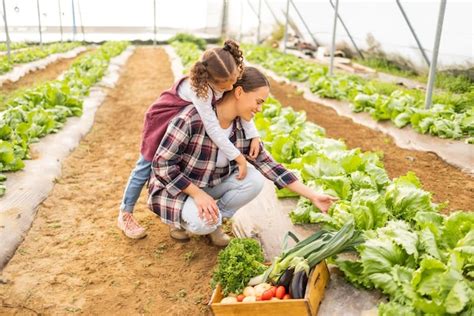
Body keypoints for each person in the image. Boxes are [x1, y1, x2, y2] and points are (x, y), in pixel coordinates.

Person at [148, 67, 337, 246]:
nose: (259, 109)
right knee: (202, 223)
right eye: (258, 101)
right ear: (239, 93)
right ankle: (182, 220)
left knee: (254, 180)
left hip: (208, 184)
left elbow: (270, 166)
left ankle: (214, 222)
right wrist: (197, 195)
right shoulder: (192, 119)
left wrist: (313, 196)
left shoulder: (243, 128)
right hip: (177, 189)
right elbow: (162, 165)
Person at [118, 40, 261, 239]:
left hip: (183, 120)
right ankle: (126, 213)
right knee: (146, 164)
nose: (231, 86)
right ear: (209, 80)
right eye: (226, 83)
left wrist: (253, 134)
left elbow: (241, 107)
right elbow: (212, 127)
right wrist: (237, 156)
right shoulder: (199, 92)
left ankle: (208, 218)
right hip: (163, 118)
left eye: (234, 80)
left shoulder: (228, 74)